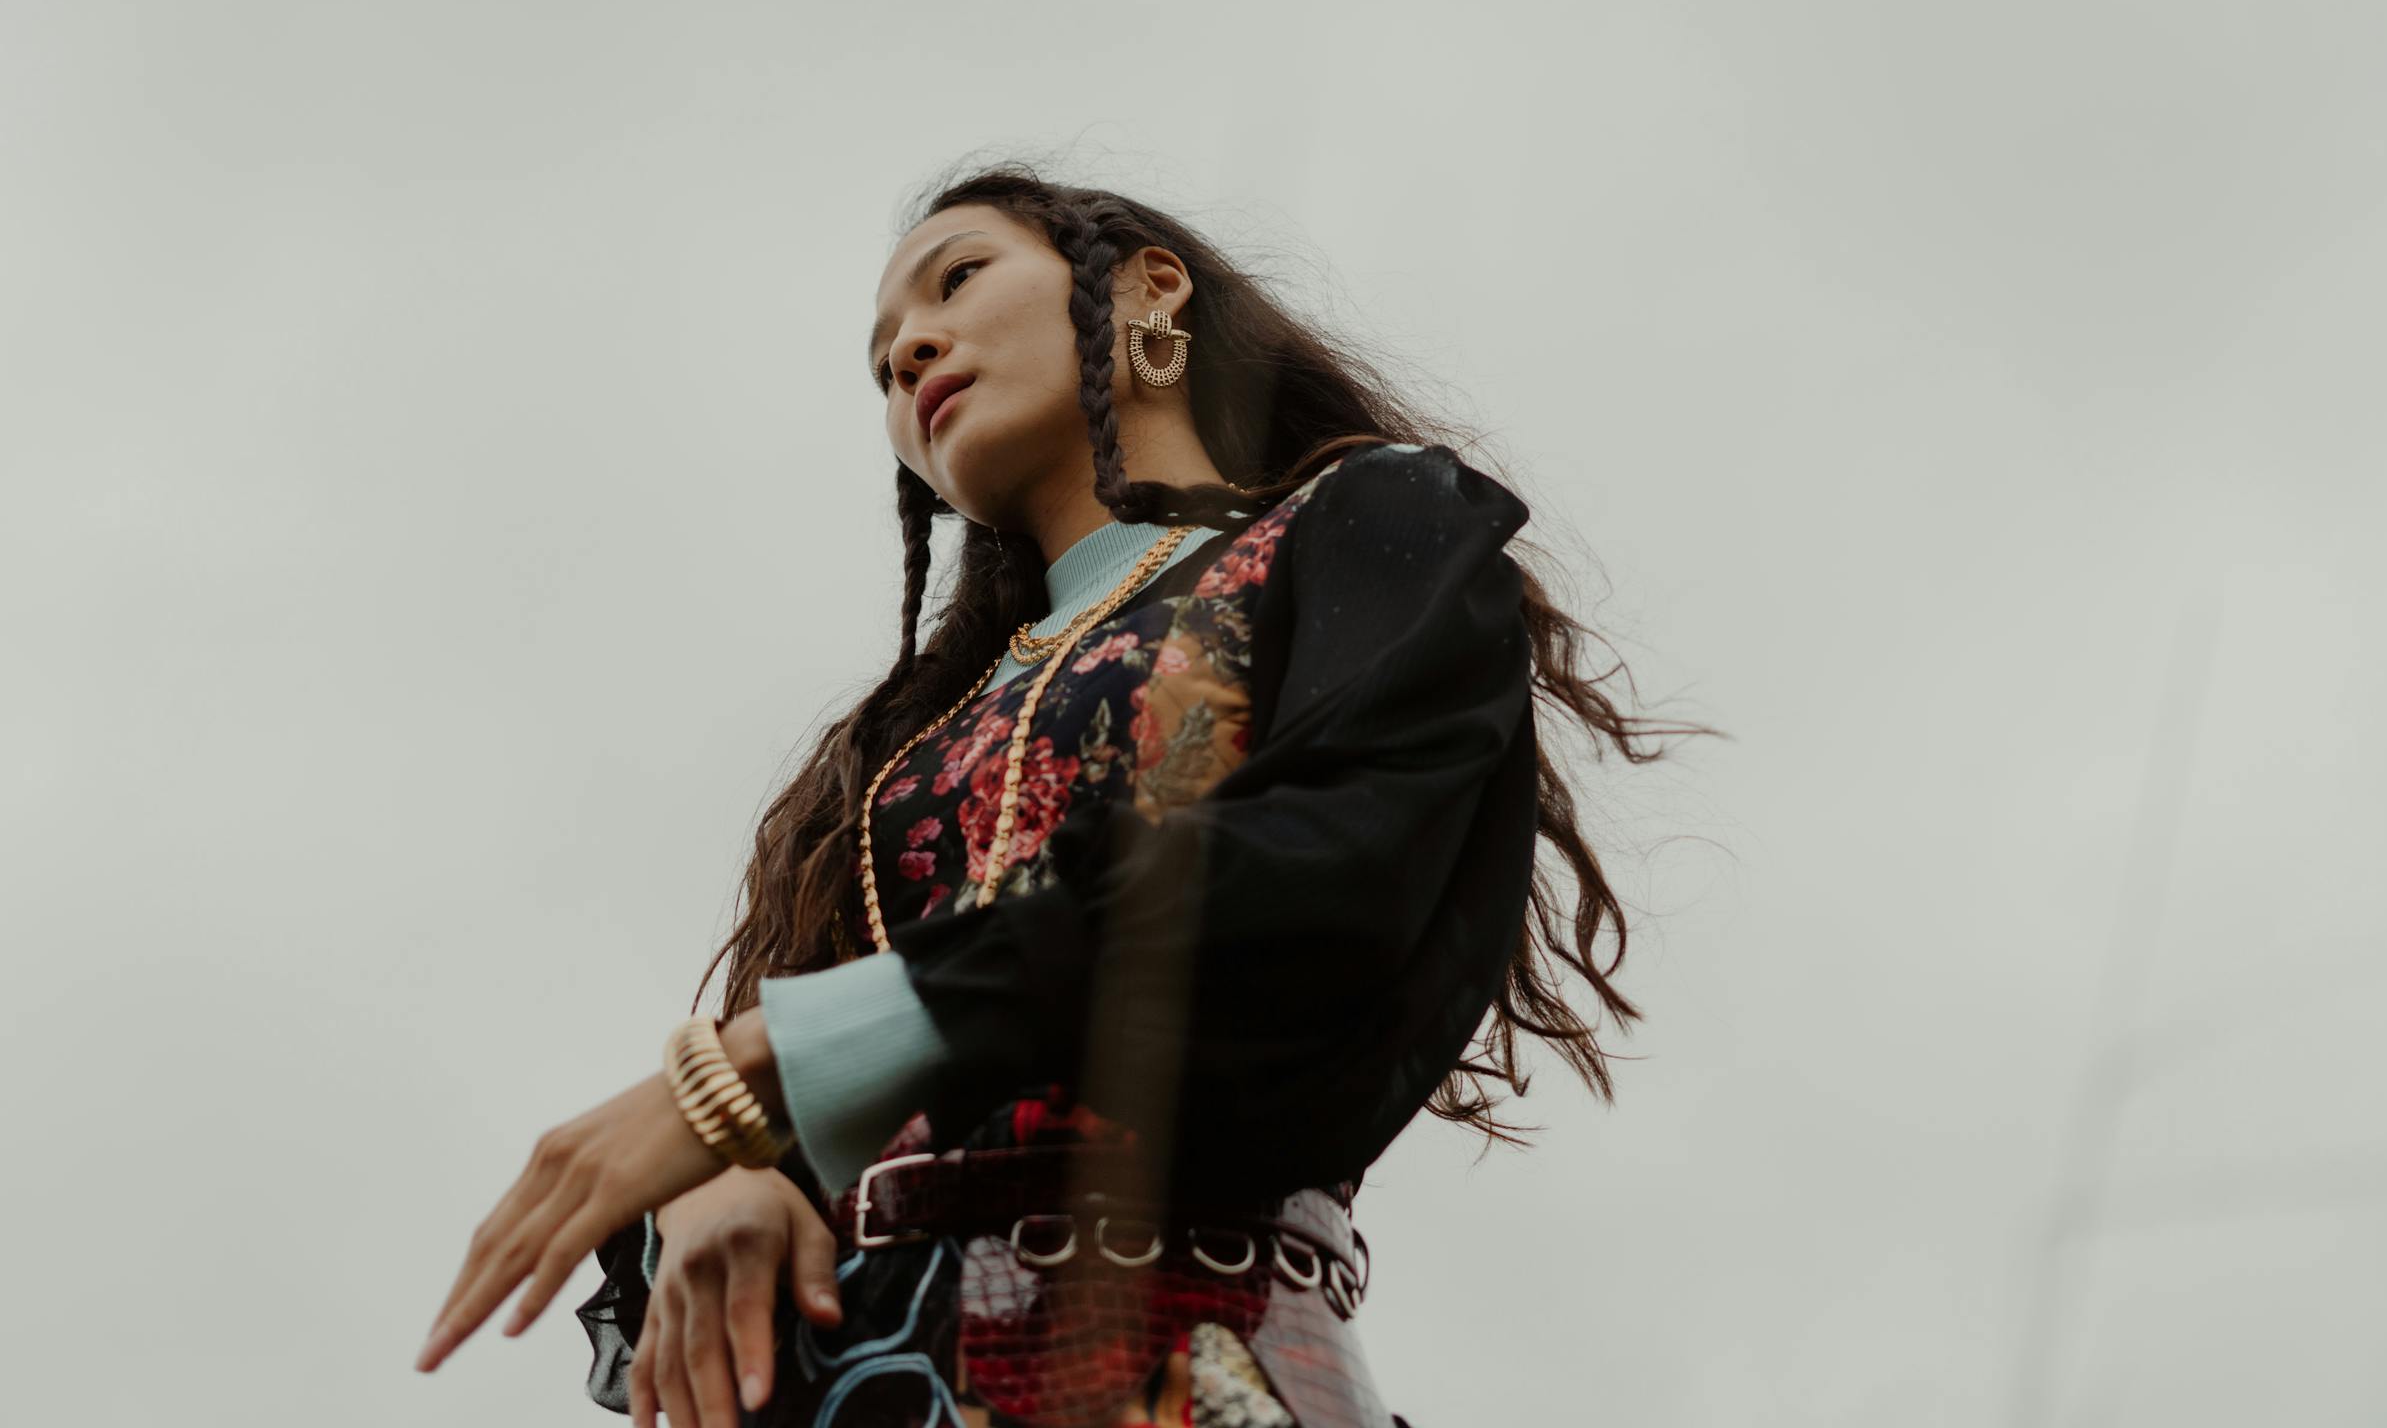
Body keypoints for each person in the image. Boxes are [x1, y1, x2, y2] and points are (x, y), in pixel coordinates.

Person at [416, 163, 1696, 1427]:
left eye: (956, 279)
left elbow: (1324, 875)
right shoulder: (890, 759)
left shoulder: (1364, 526)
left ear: (1146, 289)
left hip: (1202, 1361)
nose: (911, 351)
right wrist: (723, 1183)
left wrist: (768, 1066)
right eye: (879, 366)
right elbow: (769, 1098)